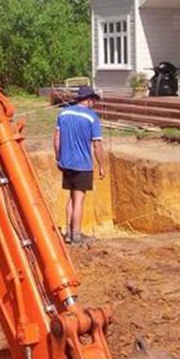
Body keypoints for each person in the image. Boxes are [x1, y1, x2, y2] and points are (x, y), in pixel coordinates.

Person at [54, 85, 107, 244]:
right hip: (82, 164)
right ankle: (76, 236)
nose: (94, 103)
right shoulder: (92, 117)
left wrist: (58, 158)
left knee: (71, 197)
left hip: (66, 163)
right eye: (94, 100)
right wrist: (102, 165)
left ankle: (69, 233)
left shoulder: (63, 113)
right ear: (89, 99)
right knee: (79, 200)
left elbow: (57, 138)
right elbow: (97, 145)